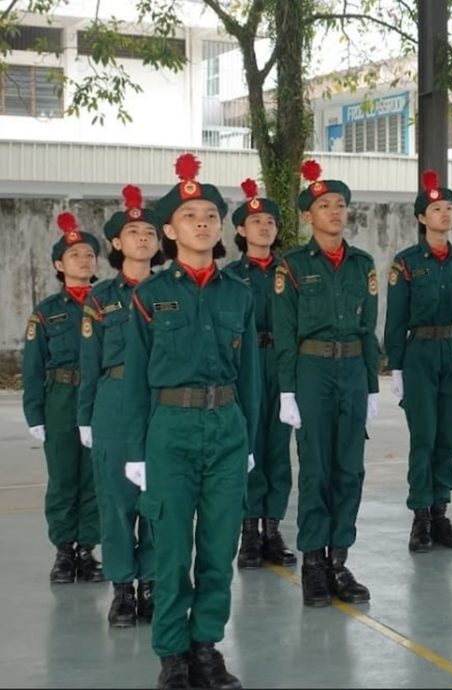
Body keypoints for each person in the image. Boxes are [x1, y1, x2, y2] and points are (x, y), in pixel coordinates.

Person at [123, 153, 260, 689]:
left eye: (209, 214)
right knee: (173, 547)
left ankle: (206, 645)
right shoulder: (151, 297)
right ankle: (172, 655)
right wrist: (137, 450)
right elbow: (135, 380)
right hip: (171, 431)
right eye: (190, 216)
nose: (202, 222)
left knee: (220, 546)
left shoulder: (240, 295)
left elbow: (250, 375)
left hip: (227, 428)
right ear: (168, 230)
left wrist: (247, 436)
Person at [273, 159, 378, 607]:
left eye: (340, 204)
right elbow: (283, 332)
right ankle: (314, 562)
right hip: (313, 371)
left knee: (350, 469)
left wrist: (371, 385)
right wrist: (287, 389)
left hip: (353, 371)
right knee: (316, 469)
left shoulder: (362, 263)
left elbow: (369, 328)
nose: (335, 211)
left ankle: (339, 558)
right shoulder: (292, 266)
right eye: (324, 205)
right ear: (307, 216)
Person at [78, 185, 164, 627]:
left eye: (150, 230)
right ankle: (122, 589)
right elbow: (88, 363)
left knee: (157, 498)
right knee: (115, 500)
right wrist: (84, 416)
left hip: (159, 399)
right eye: (133, 231)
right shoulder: (101, 298)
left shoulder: (173, 290)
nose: (143, 238)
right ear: (116, 243)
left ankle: (151, 582)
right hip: (112, 402)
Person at [384, 170, 452, 553]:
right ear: (422, 218)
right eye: (436, 209)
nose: (445, 214)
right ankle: (420, 516)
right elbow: (396, 319)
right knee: (424, 437)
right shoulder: (406, 263)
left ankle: (440, 513)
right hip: (419, 353)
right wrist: (397, 367)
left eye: (449, 208)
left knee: (448, 437)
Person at [22, 212, 105, 585]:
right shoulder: (46, 313)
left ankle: (87, 550)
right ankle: (63, 551)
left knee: (94, 476)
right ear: (59, 264)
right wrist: (34, 412)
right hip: (60, 397)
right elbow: (33, 366)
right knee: (62, 478)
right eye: (75, 256)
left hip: (101, 397)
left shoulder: (107, 303)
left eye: (89, 255)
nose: (84, 261)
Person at [224, 178, 296, 569]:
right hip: (247, 363)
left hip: (283, 361)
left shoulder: (290, 271)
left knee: (278, 448)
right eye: (255, 222)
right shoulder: (232, 276)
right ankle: (249, 531)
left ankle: (273, 527)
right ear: (240, 230)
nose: (264, 227)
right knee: (248, 444)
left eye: (270, 221)